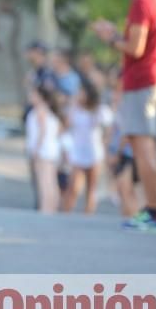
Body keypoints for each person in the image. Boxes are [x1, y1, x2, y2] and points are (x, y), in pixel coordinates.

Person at [92, 0, 156, 231]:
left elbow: (135, 48)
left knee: (144, 147)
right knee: (147, 146)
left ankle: (154, 210)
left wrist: (110, 37)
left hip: (143, 80)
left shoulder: (141, 1)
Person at [62, 79, 106, 214]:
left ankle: (88, 215)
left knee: (91, 187)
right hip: (78, 151)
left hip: (93, 151)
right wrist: (73, 104)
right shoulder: (74, 109)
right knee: (73, 186)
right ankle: (66, 213)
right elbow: (67, 125)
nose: (79, 94)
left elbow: (106, 126)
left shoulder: (98, 110)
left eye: (82, 92)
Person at [25, 85, 63, 213]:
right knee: (51, 180)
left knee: (44, 181)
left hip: (43, 151)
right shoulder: (50, 111)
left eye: (33, 94)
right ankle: (52, 207)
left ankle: (45, 208)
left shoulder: (40, 110)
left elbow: (42, 131)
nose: (31, 96)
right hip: (52, 150)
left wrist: (36, 149)